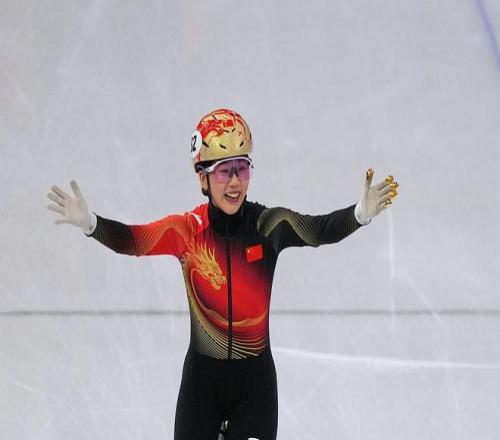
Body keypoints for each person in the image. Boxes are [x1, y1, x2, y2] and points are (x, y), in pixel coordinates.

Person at [47, 108, 399, 440]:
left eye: (241, 169)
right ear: (202, 178)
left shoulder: (268, 225)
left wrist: (359, 214)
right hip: (202, 385)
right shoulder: (186, 231)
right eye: (222, 171)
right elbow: (134, 240)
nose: (234, 182)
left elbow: (318, 230)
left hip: (255, 386)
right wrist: (91, 223)